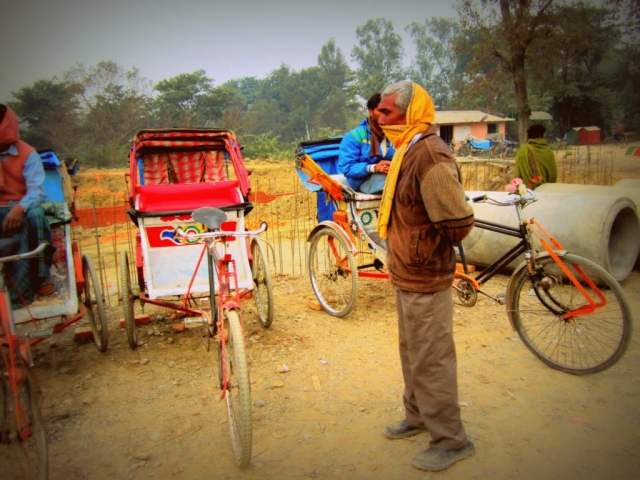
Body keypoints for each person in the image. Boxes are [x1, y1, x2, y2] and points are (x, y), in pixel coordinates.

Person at [375, 80, 475, 472]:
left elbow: (456, 222)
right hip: (406, 270)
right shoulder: (408, 148)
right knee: (412, 351)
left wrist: (420, 245)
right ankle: (417, 416)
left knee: (431, 358)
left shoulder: (430, 155)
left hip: (425, 272)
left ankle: (451, 440)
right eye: (379, 112)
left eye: (387, 112)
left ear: (411, 113)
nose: (379, 118)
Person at [0, 104, 54, 307]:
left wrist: (19, 208)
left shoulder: (27, 153)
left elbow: (36, 191)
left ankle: (40, 275)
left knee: (34, 217)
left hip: (20, 206)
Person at [337, 93, 395, 194]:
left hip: (388, 176)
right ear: (370, 111)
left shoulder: (393, 134)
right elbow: (347, 167)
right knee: (400, 185)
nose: (384, 115)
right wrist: (374, 167)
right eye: (380, 111)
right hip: (362, 181)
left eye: (387, 111)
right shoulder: (354, 136)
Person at [514, 124, 557, 189]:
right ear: (540, 136)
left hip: (526, 191)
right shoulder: (548, 151)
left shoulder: (523, 151)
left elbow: (517, 174)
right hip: (545, 190)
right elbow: (553, 175)